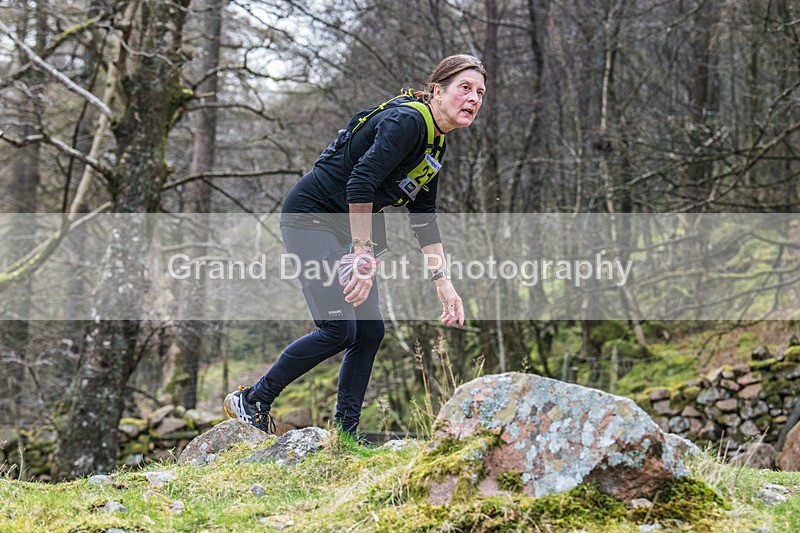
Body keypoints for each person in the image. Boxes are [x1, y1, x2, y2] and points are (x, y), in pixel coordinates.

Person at [223, 54, 487, 438]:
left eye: (479, 92)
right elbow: (360, 183)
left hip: (350, 226)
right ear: (437, 90)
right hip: (311, 216)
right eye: (465, 88)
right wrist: (362, 251)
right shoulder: (409, 121)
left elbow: (424, 215)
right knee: (339, 327)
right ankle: (253, 400)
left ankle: (346, 433)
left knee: (370, 330)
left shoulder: (436, 142)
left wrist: (443, 282)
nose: (474, 98)